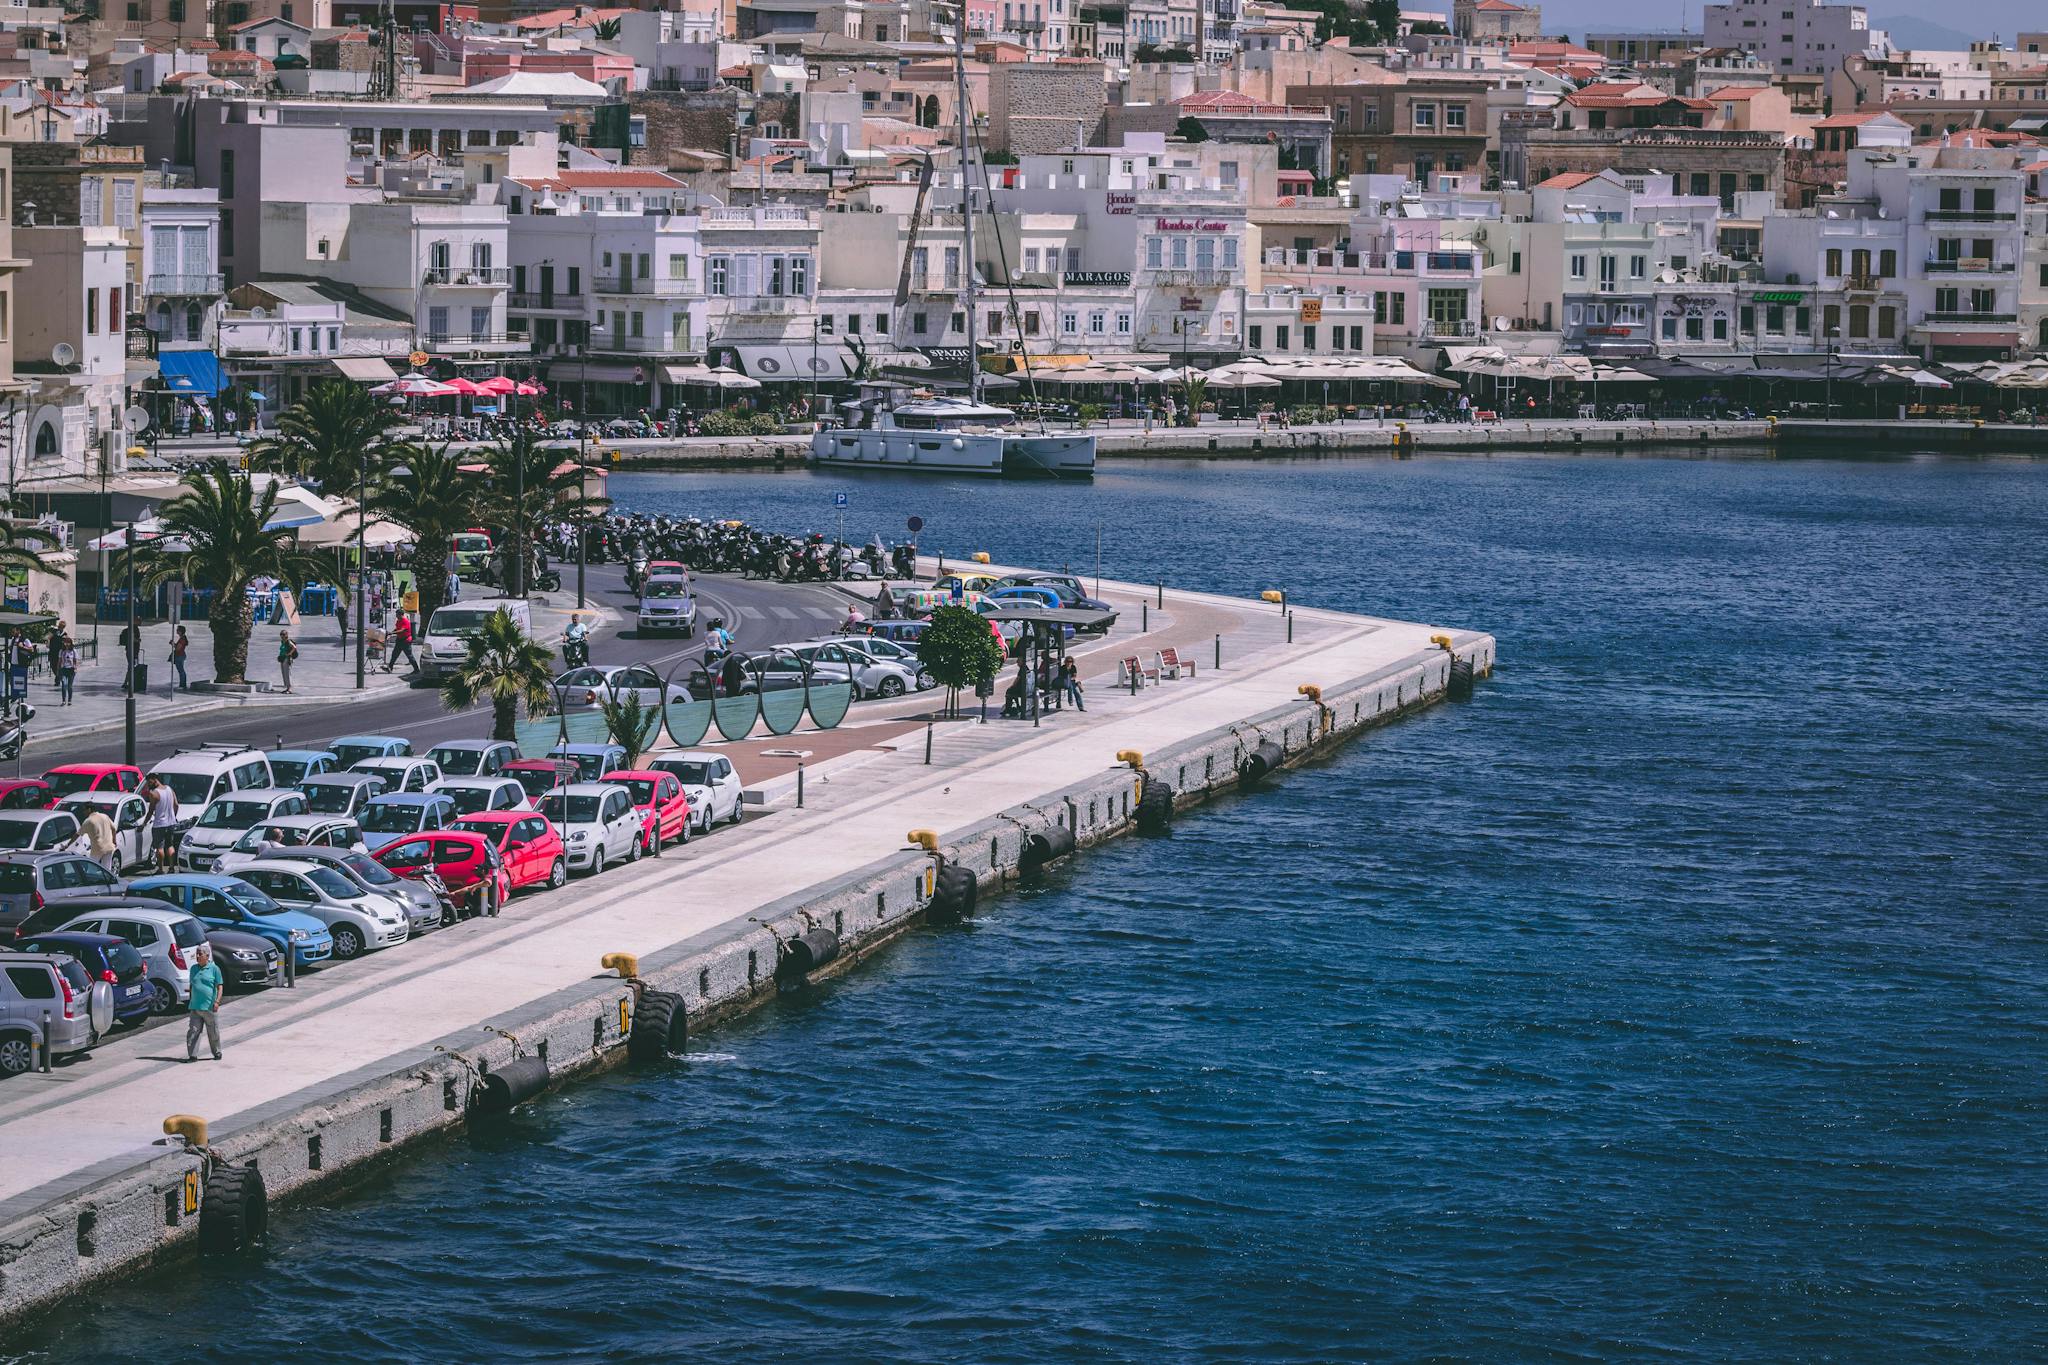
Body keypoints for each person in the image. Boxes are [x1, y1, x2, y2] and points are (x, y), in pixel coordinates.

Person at [184, 945, 224, 1062]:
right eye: (197, 953)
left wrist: (217, 1002)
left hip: (209, 1007)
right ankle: (192, 1055)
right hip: (195, 1007)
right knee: (193, 1031)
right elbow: (192, 986)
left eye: (200, 954)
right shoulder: (193, 969)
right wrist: (191, 1000)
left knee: (213, 1032)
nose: (197, 956)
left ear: (207, 956)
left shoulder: (214, 969)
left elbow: (219, 986)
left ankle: (217, 1052)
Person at [146, 774, 180, 873]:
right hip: (171, 823)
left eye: (149, 782)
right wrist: (173, 816)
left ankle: (160, 869)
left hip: (159, 824)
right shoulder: (169, 789)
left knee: (159, 847)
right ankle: (172, 867)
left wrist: (144, 823)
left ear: (155, 780)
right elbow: (176, 805)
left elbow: (150, 811)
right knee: (170, 845)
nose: (148, 785)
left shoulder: (154, 793)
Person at [80, 805, 119, 874]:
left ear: (89, 809)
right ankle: (108, 883)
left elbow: (78, 834)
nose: (83, 812)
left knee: (91, 870)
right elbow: (114, 829)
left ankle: (93, 883)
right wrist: (114, 841)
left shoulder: (88, 821)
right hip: (109, 847)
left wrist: (67, 845)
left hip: (97, 848)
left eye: (84, 810)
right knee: (107, 869)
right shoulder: (105, 816)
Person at [54, 636, 77, 705]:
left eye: (68, 643)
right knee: (64, 685)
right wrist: (58, 669)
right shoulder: (61, 651)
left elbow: (75, 660)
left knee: (69, 686)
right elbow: (59, 661)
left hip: (71, 670)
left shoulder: (73, 651)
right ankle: (63, 700)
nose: (66, 644)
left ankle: (69, 700)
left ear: (70, 643)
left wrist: (75, 668)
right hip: (63, 669)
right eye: (65, 643)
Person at [276, 629, 298, 694]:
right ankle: (287, 687)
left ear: (286, 635)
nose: (282, 636)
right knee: (284, 673)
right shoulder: (282, 641)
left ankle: (289, 688)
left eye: (283, 634)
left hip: (287, 659)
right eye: (281, 634)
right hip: (282, 659)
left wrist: (289, 654)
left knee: (287, 673)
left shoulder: (288, 641)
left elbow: (294, 647)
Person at [171, 626, 190, 691]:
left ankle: (182, 685)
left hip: (179, 656)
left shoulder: (182, 639)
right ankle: (182, 684)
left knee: (181, 671)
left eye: (177, 630)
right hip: (181, 655)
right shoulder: (182, 638)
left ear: (180, 631)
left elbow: (178, 648)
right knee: (181, 671)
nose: (176, 631)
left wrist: (173, 644)